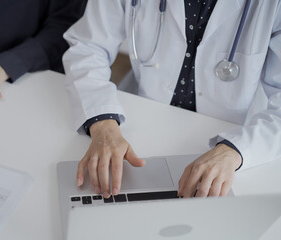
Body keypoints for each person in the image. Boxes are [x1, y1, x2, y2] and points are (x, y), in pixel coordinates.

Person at [62, 0, 281, 199]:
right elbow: (88, 47)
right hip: (141, 124)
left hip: (233, 133)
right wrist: (103, 123)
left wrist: (236, 150)